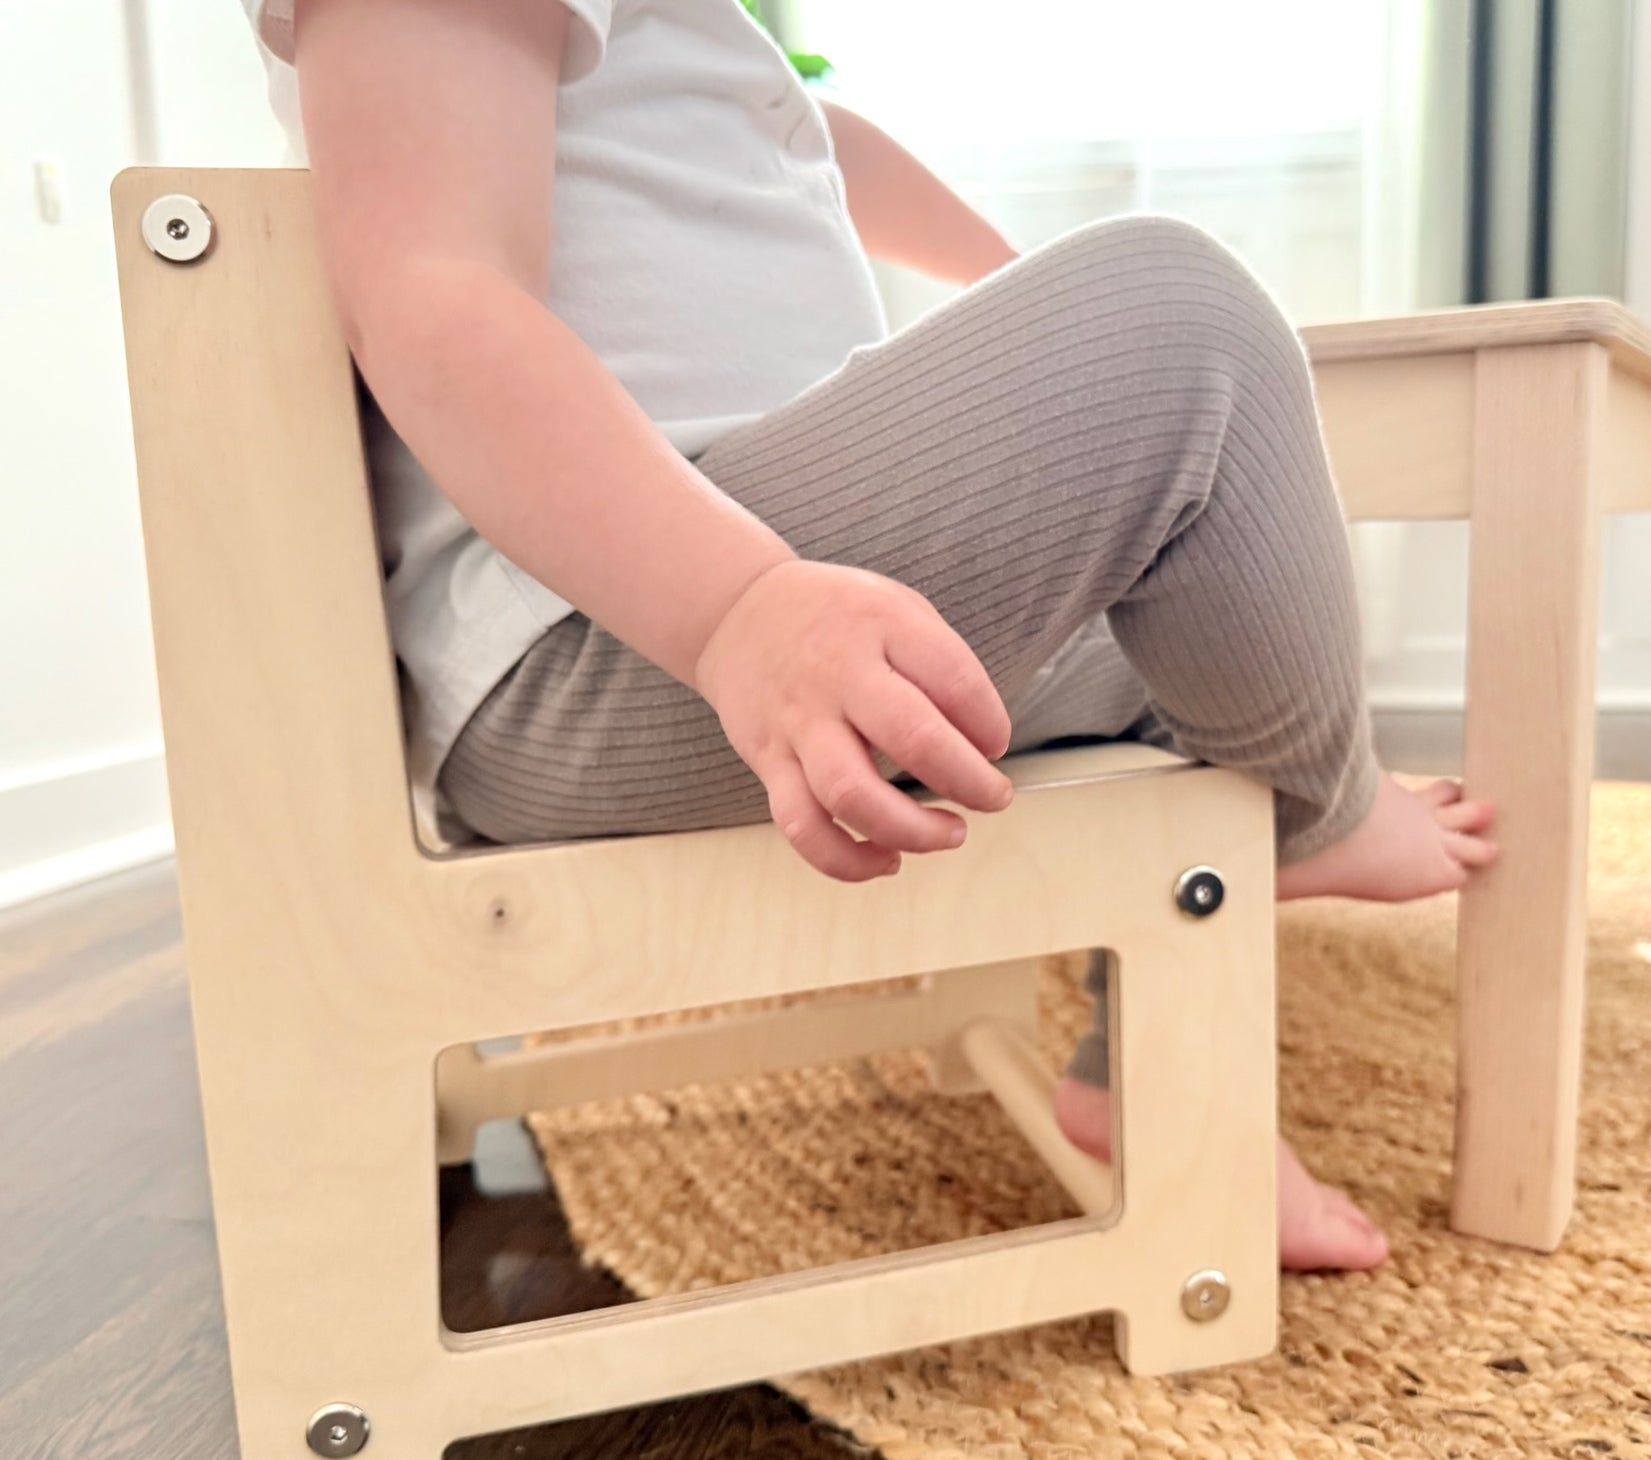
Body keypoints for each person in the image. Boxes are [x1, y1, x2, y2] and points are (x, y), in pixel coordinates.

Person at [243, 0, 1497, 1271]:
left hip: (692, 607)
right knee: (1182, 311)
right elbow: (430, 288)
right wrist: (736, 609)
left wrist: (1005, 278)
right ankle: (1323, 810)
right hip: (601, 644)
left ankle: (1156, 1072)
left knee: (1204, 614)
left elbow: (796, 131)